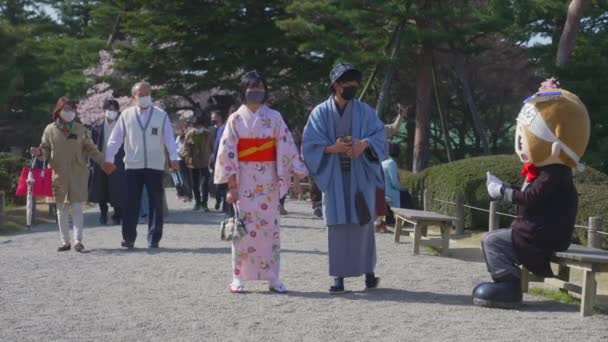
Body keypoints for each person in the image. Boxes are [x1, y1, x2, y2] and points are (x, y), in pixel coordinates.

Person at [473, 82, 590, 309]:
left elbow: (532, 198)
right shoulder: (549, 171)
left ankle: (509, 285)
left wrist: (503, 192)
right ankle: (508, 282)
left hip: (542, 236)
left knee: (492, 241)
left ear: (556, 142)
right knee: (497, 238)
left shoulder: (554, 172)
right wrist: (506, 187)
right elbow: (531, 195)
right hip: (538, 232)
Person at [214, 70, 307, 294]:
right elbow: (227, 153)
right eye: (251, 87)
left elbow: (285, 145)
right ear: (243, 91)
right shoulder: (235, 119)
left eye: (260, 88)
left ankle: (273, 277)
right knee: (242, 230)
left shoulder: (274, 117)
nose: (256, 92)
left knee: (270, 229)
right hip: (244, 180)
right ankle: (238, 277)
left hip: (268, 181)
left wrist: (295, 170)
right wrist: (232, 185)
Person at [302, 63, 386, 293]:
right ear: (336, 85)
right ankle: (338, 277)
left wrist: (364, 145)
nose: (352, 86)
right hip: (335, 176)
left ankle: (369, 273)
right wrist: (333, 149)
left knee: (363, 224)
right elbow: (309, 145)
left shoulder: (364, 111)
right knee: (337, 226)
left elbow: (379, 135)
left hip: (360, 177)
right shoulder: (320, 113)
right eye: (347, 82)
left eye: (355, 82)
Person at [30, 97, 115, 252]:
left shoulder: (80, 129)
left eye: (72, 110)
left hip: (78, 173)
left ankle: (77, 241)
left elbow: (91, 148)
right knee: (61, 208)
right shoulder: (50, 129)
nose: (69, 113)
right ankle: (65, 242)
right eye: (66, 109)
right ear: (59, 111)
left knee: (76, 207)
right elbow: (45, 149)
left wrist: (104, 162)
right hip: (58, 173)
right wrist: (39, 152)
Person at [105, 81, 179, 249]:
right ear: (134, 97)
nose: (145, 97)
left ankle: (154, 238)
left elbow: (169, 138)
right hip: (133, 165)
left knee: (156, 203)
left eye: (148, 94)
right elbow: (115, 139)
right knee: (131, 202)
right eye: (141, 95)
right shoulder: (126, 115)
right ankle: (129, 238)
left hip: (155, 165)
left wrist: (174, 157)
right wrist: (109, 159)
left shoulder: (161, 115)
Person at [88, 99, 126, 225]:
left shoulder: (122, 126)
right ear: (104, 111)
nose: (112, 112)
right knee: (101, 189)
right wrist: (93, 163)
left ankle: (118, 214)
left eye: (115, 110)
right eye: (109, 109)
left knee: (118, 188)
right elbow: (92, 147)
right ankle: (103, 214)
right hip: (101, 162)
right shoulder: (97, 128)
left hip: (118, 162)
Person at [375, 104, 408, 233]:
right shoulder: (363, 131)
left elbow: (394, 127)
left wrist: (400, 115)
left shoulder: (380, 130)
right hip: (369, 166)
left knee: (379, 195)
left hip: (381, 165)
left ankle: (380, 222)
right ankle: (377, 222)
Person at [182, 114, 214, 211]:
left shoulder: (208, 134)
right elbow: (185, 147)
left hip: (205, 162)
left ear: (203, 125)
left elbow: (213, 147)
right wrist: (186, 157)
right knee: (195, 184)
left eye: (199, 125)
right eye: (196, 125)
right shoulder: (189, 134)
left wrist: (214, 159)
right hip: (193, 163)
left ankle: (204, 203)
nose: (198, 127)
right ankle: (197, 202)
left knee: (205, 184)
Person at [382, 143, 413, 225]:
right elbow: (394, 183)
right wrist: (404, 188)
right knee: (405, 195)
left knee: (397, 196)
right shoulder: (392, 163)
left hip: (382, 189)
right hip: (388, 191)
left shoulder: (384, 162)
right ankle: (408, 219)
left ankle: (390, 219)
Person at [210, 109, 228, 211]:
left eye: (214, 118)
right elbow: (213, 147)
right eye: (212, 118)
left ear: (220, 118)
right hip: (214, 159)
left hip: (223, 160)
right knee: (216, 184)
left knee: (224, 183)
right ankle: (218, 199)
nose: (213, 120)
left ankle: (225, 205)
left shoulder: (224, 129)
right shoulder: (211, 130)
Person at [175, 130, 193, 202]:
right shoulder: (178, 138)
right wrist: (178, 153)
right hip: (179, 160)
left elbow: (189, 149)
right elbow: (175, 147)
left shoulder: (187, 138)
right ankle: (187, 194)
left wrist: (183, 154)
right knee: (183, 179)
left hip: (186, 160)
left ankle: (189, 195)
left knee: (187, 178)